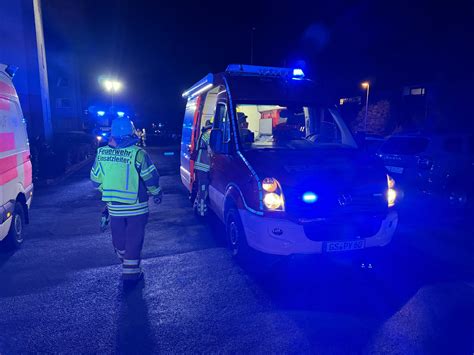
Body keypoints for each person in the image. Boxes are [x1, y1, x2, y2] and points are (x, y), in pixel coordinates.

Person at [90, 117, 162, 288]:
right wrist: (156, 193)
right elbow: (151, 178)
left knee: (119, 241)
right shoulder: (139, 154)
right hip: (137, 206)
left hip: (114, 208)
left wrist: (108, 190)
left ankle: (129, 266)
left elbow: (95, 180)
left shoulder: (102, 153)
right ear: (131, 133)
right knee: (134, 240)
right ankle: (131, 273)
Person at [193, 120, 212, 216]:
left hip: (200, 165)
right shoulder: (208, 135)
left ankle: (197, 206)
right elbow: (211, 149)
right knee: (203, 189)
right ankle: (201, 212)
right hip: (203, 166)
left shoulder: (203, 134)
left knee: (201, 188)